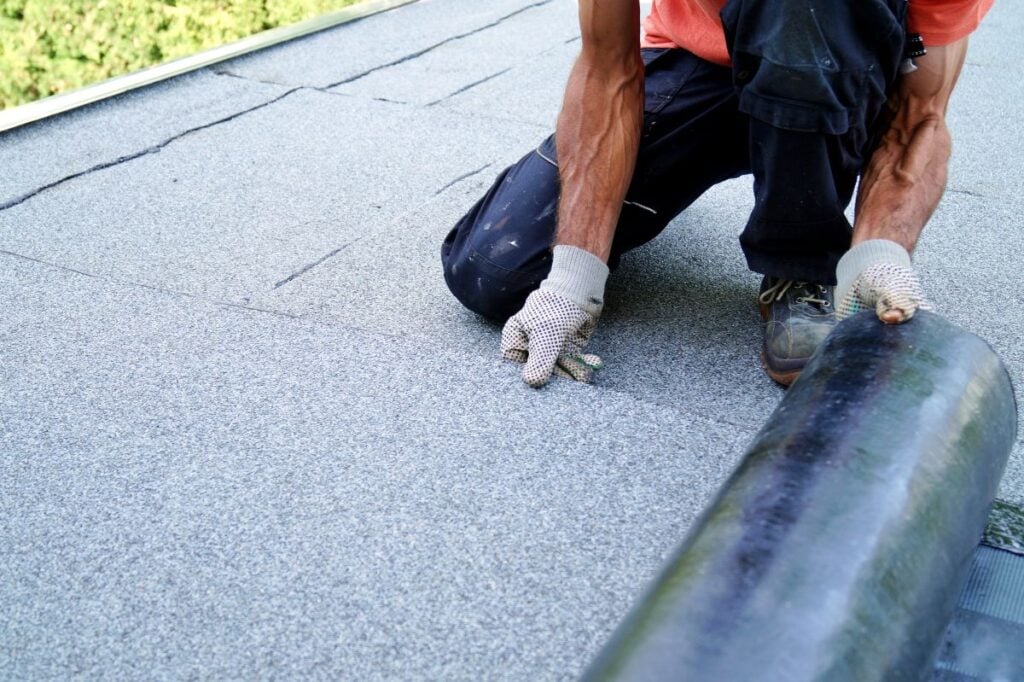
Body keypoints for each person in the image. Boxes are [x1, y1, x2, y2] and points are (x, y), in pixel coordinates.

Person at [441, 0, 991, 387]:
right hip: (701, 68)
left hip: (835, 83)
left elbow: (919, 114)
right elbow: (608, 69)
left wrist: (879, 250)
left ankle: (799, 264)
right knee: (495, 270)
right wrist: (572, 276)